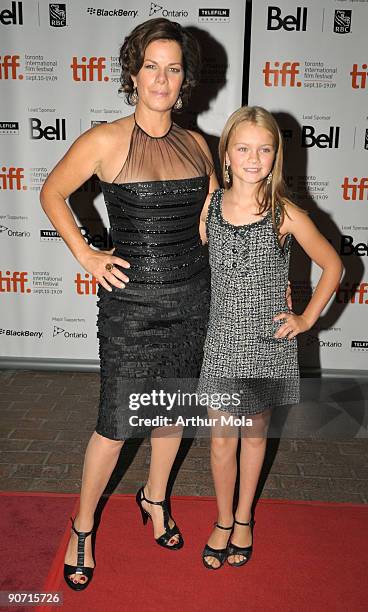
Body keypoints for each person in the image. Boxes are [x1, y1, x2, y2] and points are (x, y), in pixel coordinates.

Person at [40, 17, 218, 590]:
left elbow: (207, 227)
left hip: (192, 301)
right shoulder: (104, 141)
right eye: (151, 67)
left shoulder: (199, 146)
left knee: (171, 414)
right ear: (133, 74)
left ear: (184, 79)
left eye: (173, 68)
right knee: (116, 425)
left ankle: (155, 498)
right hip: (131, 307)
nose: (161, 79)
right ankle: (83, 526)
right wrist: (89, 255)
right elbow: (51, 191)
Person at [197, 105, 343, 570]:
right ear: (227, 154)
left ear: (276, 156)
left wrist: (304, 319)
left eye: (264, 149)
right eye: (243, 148)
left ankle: (244, 519)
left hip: (267, 343)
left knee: (255, 435)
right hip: (221, 339)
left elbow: (335, 266)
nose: (253, 158)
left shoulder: (286, 213)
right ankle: (222, 520)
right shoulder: (210, 204)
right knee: (221, 440)